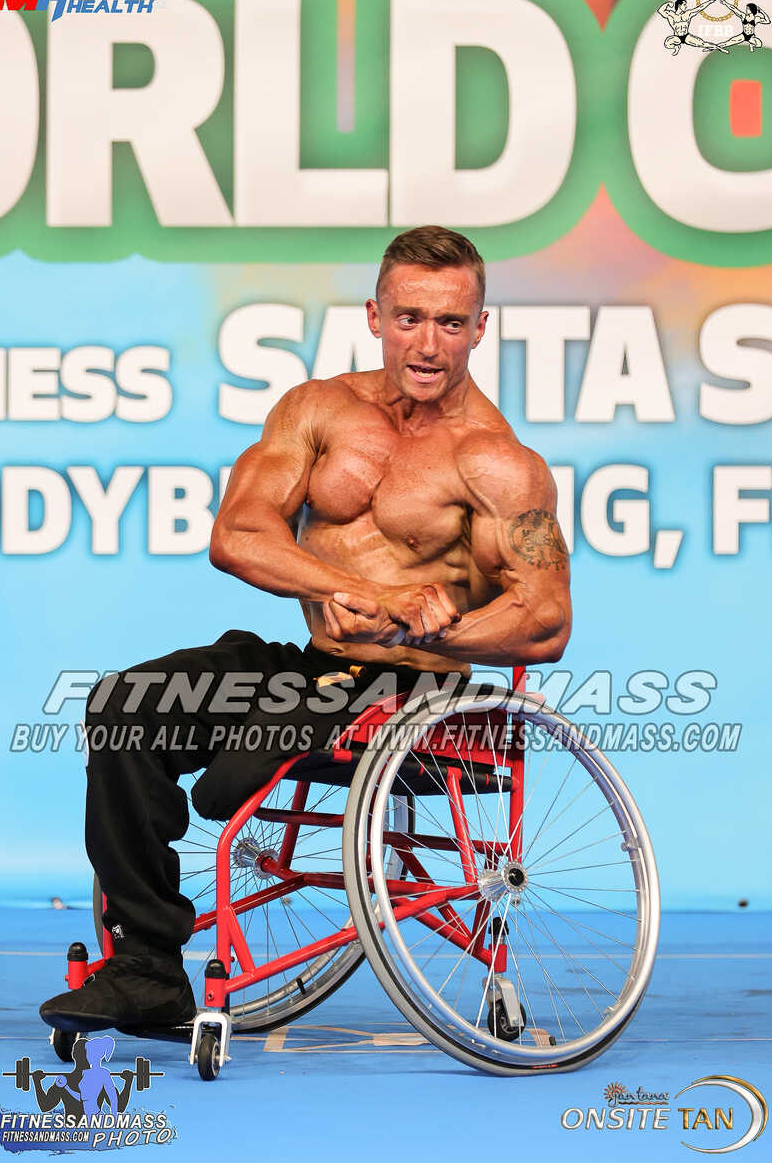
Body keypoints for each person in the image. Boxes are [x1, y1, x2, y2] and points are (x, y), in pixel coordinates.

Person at [39, 225, 571, 1033]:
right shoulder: (317, 410)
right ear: (375, 315)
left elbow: (545, 617)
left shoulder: (500, 464)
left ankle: (176, 907)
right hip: (312, 663)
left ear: (480, 328)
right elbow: (238, 535)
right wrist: (358, 590)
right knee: (125, 706)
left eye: (450, 323)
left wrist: (432, 633)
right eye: (409, 318)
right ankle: (146, 966)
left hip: (412, 690)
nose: (428, 344)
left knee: (233, 776)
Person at [658, 0, 727, 54]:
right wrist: (668, 3)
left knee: (703, 44)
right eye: (684, 5)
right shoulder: (671, 15)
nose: (686, 6)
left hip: (686, 36)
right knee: (667, 44)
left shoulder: (688, 14)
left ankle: (719, 48)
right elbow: (660, 10)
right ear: (679, 5)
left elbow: (700, 7)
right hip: (677, 37)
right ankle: (676, 47)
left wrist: (711, 1)